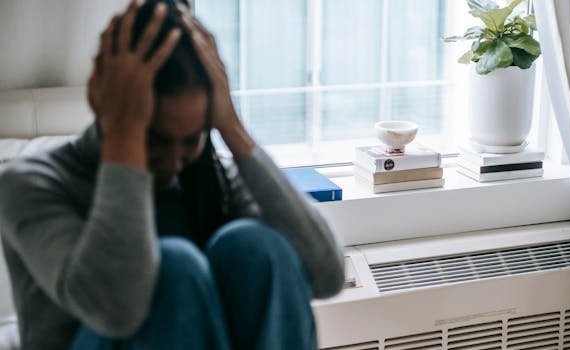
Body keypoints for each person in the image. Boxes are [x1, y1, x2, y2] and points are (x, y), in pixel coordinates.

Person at [0, 0, 344, 349]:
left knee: (256, 246)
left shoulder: (210, 177)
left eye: (191, 139)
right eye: (154, 139)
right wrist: (124, 136)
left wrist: (232, 128)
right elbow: (115, 310)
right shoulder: (30, 183)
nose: (174, 162)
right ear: (99, 100)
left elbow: (328, 277)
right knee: (174, 267)